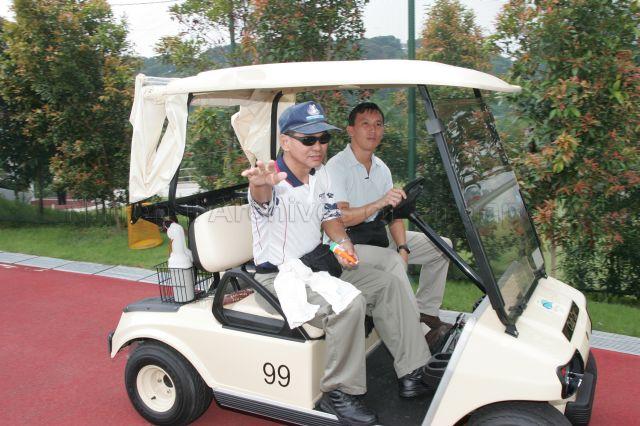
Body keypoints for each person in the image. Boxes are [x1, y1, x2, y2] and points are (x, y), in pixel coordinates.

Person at [242, 101, 432, 426]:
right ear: (285, 141)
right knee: (350, 303)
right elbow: (261, 197)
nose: (318, 146)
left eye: (323, 139)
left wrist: (345, 248)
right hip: (279, 280)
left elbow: (332, 224)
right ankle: (338, 393)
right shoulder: (273, 181)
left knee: (385, 284)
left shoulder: (320, 177)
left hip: (319, 267)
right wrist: (258, 183)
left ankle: (413, 370)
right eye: (308, 140)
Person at [325, 102, 453, 349]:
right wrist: (379, 203)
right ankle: (416, 330)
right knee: (393, 261)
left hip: (376, 233)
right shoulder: (337, 167)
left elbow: (394, 215)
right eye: (365, 124)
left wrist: (403, 246)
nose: (373, 130)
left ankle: (426, 310)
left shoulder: (381, 167)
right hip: (346, 242)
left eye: (378, 124)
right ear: (350, 130)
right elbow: (339, 219)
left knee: (442, 246)